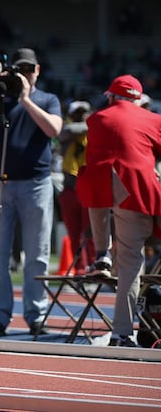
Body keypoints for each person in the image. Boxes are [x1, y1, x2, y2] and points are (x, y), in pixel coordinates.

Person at [0, 47, 63, 338]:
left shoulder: (48, 99)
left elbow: (54, 130)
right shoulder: (1, 99)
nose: (24, 74)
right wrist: (0, 96)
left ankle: (36, 314)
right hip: (0, 184)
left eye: (29, 69)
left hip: (35, 184)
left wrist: (25, 98)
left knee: (37, 252)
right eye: (19, 69)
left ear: (37, 71)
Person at [76, 74, 161, 347]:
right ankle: (121, 333)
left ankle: (102, 253)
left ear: (112, 96)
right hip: (135, 189)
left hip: (101, 186)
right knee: (131, 263)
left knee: (96, 191)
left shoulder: (96, 119)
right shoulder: (152, 119)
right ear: (139, 99)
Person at [57, 100, 94, 275]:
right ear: (71, 116)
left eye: (85, 113)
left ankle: (93, 266)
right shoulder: (67, 131)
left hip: (89, 189)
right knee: (74, 233)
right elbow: (67, 131)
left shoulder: (93, 132)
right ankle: (79, 268)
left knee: (92, 232)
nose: (82, 116)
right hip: (71, 189)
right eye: (78, 113)